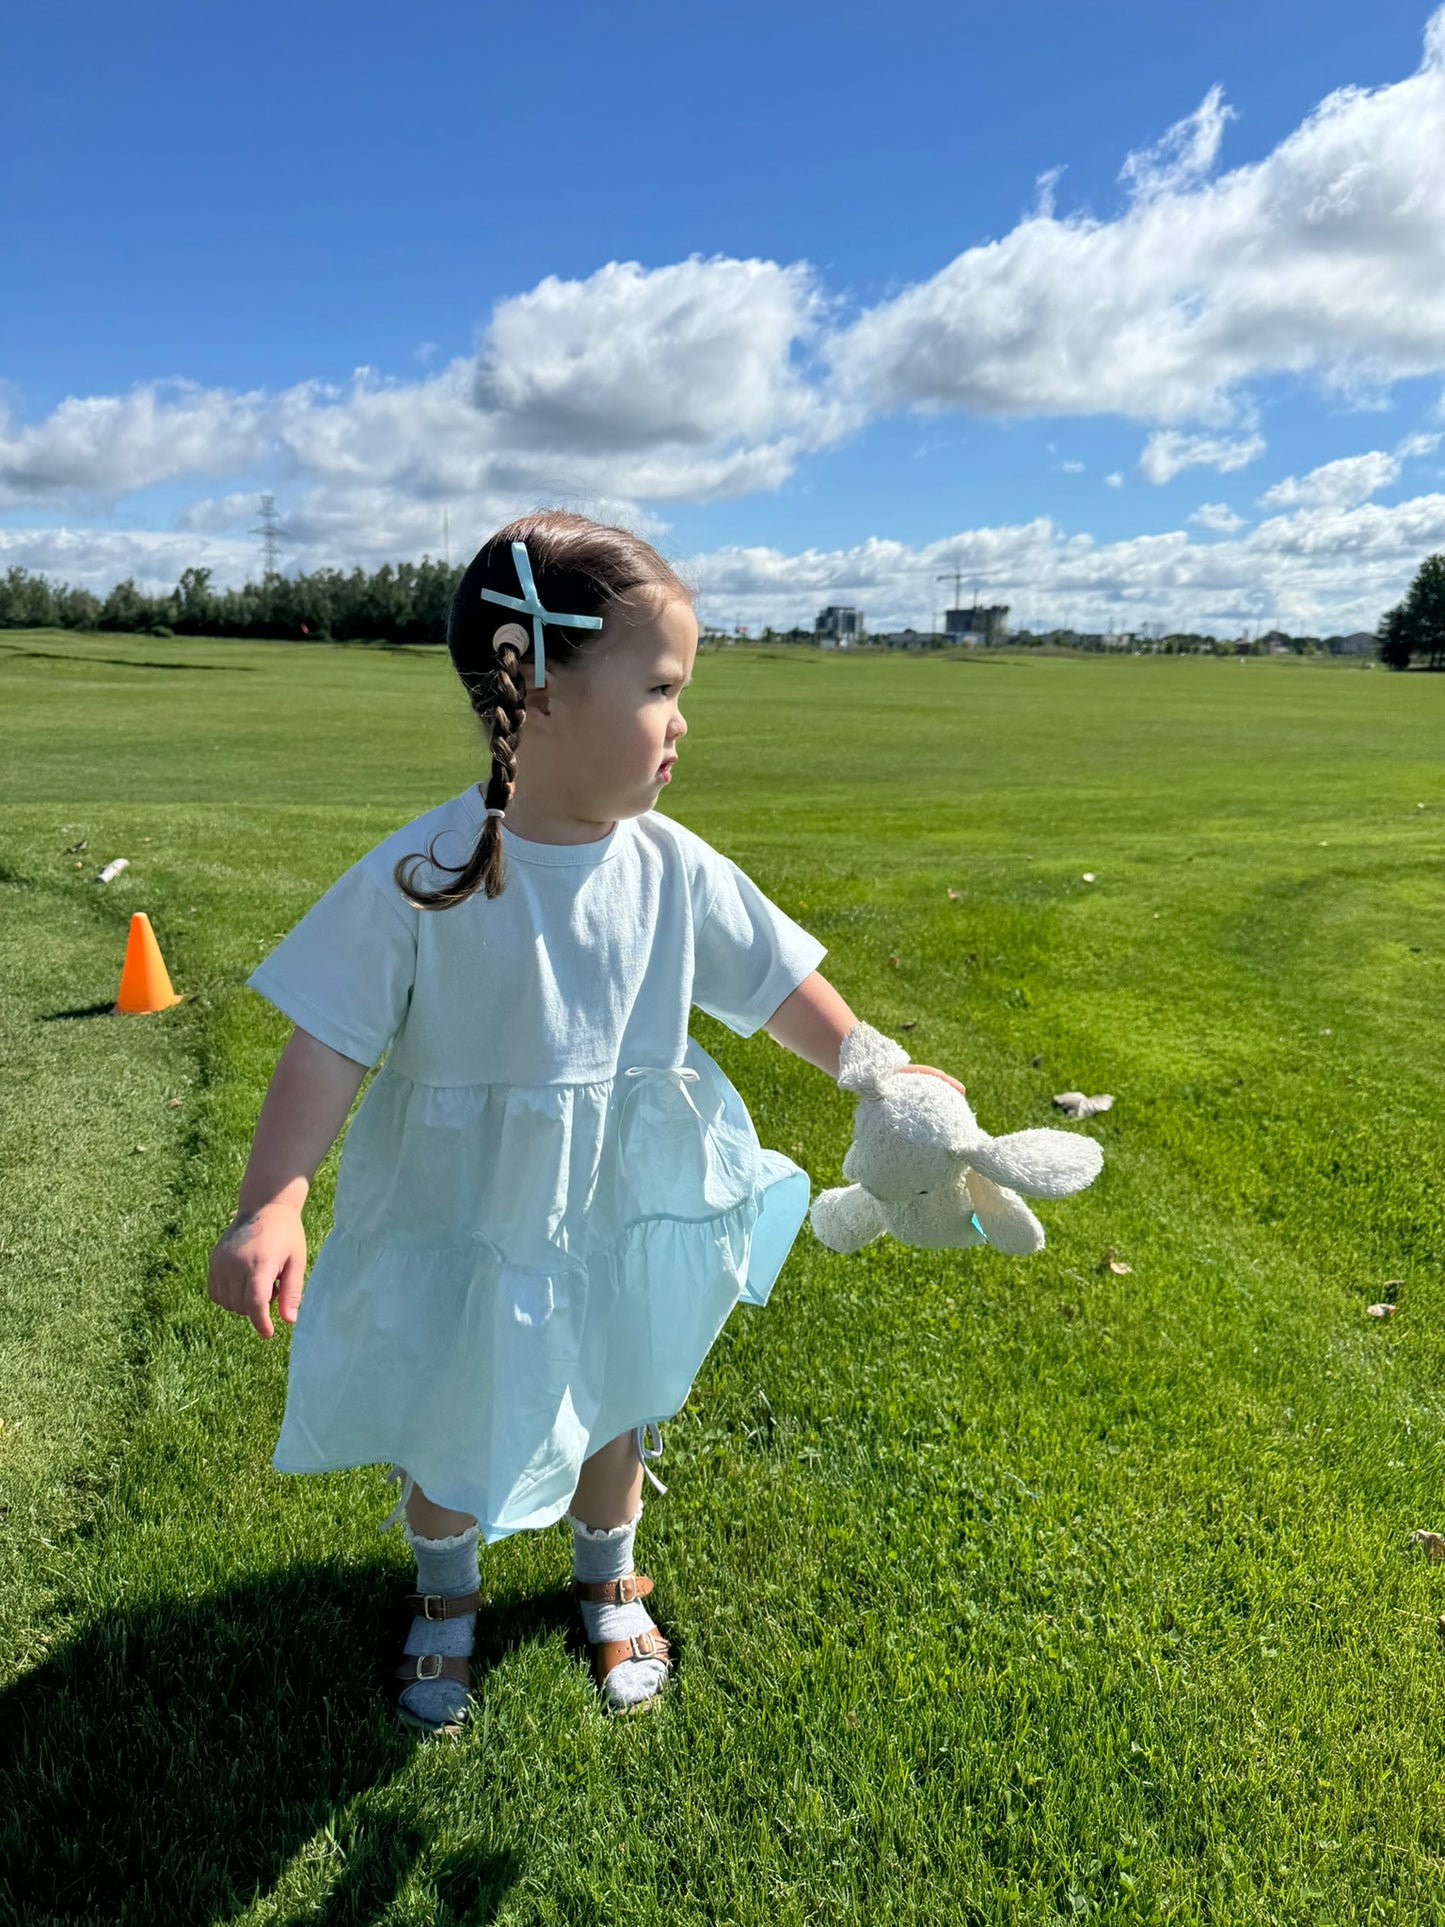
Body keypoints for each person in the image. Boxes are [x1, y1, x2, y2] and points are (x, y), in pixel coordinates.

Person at [206, 509, 965, 1733]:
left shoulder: (669, 865)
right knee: (452, 1397)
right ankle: (445, 1598)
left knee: (617, 1380)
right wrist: (274, 1198)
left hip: (618, 1188)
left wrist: (878, 1067)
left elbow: (772, 984)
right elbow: (329, 1039)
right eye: (660, 686)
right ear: (536, 689)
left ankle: (607, 1573)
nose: (681, 721)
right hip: (466, 1205)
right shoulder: (427, 870)